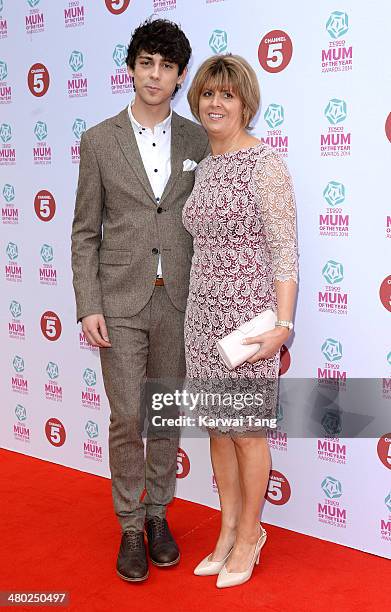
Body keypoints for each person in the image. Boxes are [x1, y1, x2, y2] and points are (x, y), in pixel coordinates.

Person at [71, 18, 209, 583]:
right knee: (128, 416)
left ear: (179, 77)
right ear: (131, 67)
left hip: (179, 298)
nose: (155, 75)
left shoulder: (201, 139)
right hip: (120, 299)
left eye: (167, 67)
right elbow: (84, 231)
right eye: (146, 62)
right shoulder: (99, 140)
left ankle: (158, 514)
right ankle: (129, 524)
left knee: (166, 415)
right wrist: (87, 303)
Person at [184, 54, 298, 588]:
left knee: (248, 433)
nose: (215, 103)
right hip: (201, 317)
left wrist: (284, 325)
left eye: (226, 95)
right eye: (208, 94)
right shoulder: (203, 166)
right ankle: (226, 529)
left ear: (246, 103)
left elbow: (285, 253)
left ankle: (251, 535)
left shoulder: (265, 164)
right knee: (217, 428)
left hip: (248, 322)